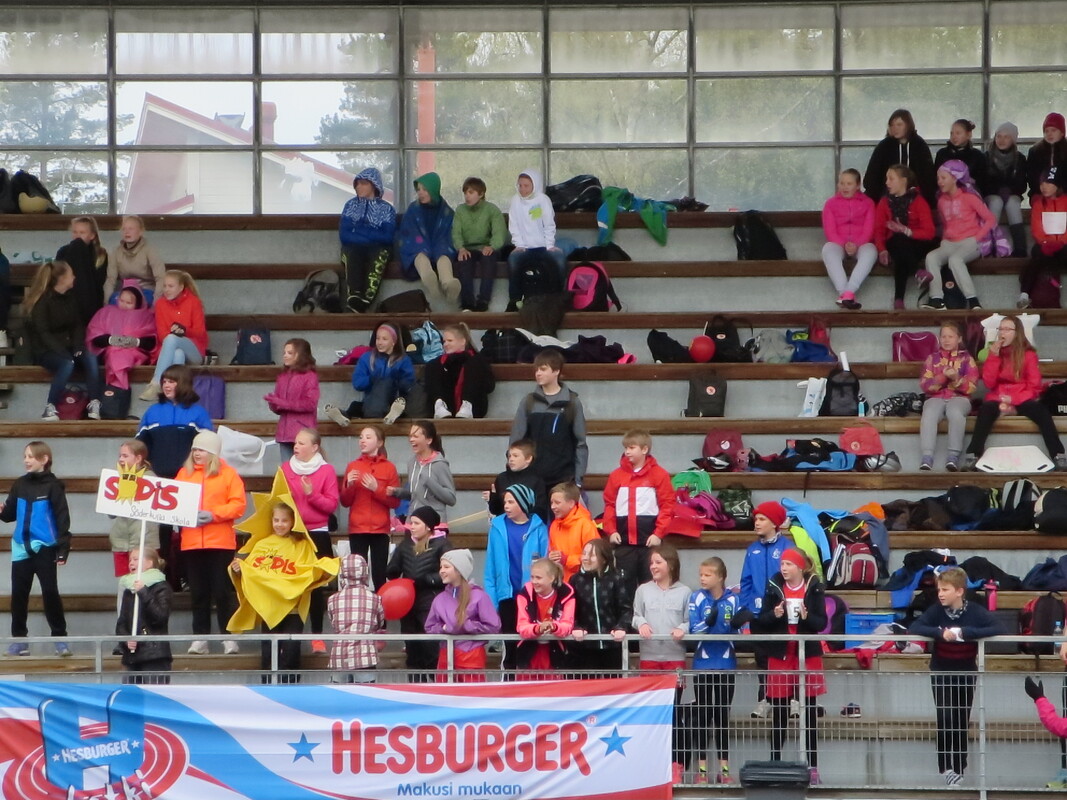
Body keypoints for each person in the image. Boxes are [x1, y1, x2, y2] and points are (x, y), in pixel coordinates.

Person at [910, 566, 1003, 786]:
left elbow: (998, 627)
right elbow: (915, 626)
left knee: (961, 719)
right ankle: (945, 767)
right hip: (941, 671)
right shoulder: (936, 610)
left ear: (960, 591)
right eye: (939, 589)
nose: (940, 594)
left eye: (945, 590)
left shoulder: (975, 611)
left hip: (966, 672)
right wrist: (939, 632)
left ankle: (960, 766)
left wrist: (965, 633)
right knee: (945, 717)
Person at [229, 500, 339, 683]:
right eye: (276, 520)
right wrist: (239, 569)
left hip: (293, 609)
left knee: (291, 649)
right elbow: (251, 572)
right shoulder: (262, 545)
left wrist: (324, 570)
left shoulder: (303, 546)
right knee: (268, 651)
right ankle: (267, 687)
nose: (279, 524)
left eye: (284, 520)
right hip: (269, 609)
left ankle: (290, 688)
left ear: (293, 522)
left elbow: (311, 570)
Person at [755, 547, 828, 786]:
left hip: (808, 653)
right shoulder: (773, 587)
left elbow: (821, 622)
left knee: (809, 711)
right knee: (779, 711)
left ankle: (813, 767)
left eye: (788, 564)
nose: (784, 568)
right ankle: (775, 763)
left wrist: (807, 617)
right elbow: (761, 621)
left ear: (800, 567)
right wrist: (774, 614)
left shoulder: (814, 587)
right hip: (780, 653)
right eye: (782, 564)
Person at [175, 430, 247, 656]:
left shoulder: (229, 474)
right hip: (192, 542)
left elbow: (238, 505)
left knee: (222, 592)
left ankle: (228, 637)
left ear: (213, 453)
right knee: (198, 593)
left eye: (202, 450)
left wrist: (213, 514)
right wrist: (186, 515)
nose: (197, 453)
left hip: (220, 543)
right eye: (195, 449)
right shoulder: (184, 473)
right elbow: (175, 502)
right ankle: (200, 639)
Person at [964, 314, 1066, 470]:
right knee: (985, 410)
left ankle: (1058, 454)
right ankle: (973, 454)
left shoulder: (1028, 354)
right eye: (1001, 329)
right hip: (998, 397)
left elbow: (1035, 386)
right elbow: (989, 383)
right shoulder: (994, 353)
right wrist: (993, 357)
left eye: (1007, 329)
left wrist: (1013, 400)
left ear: (1016, 333)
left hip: (1022, 397)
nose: (1002, 333)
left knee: (1041, 412)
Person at [0, 441, 71, 657]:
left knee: (50, 592)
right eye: (25, 456)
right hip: (21, 547)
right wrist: (2, 511)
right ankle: (20, 641)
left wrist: (63, 549)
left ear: (44, 459)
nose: (26, 460)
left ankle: (60, 638)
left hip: (45, 547)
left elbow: (62, 518)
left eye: (31, 456)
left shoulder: (54, 486)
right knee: (19, 595)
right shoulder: (19, 484)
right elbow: (10, 515)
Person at [687, 557, 749, 786]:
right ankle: (702, 771)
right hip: (703, 664)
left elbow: (740, 633)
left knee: (722, 716)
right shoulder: (696, 597)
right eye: (701, 574)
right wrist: (708, 622)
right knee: (703, 716)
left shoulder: (733, 599)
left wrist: (737, 625)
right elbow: (694, 630)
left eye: (708, 575)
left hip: (726, 664)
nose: (702, 578)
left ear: (720, 577)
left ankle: (724, 770)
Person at [632, 544, 690, 784]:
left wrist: (683, 628)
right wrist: (642, 623)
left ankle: (676, 764)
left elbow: (690, 620)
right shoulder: (643, 590)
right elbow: (635, 616)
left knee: (674, 714)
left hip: (674, 659)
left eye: (658, 562)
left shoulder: (685, 592)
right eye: (652, 563)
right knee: (652, 715)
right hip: (649, 658)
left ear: (671, 564)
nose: (653, 566)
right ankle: (652, 763)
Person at [279, 428, 340, 654]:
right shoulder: (286, 469)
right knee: (289, 585)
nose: (296, 446)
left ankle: (317, 637)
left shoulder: (326, 470)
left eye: (302, 443)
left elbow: (331, 505)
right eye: (295, 443)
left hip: (317, 532)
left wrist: (312, 494)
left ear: (315, 447)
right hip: (293, 533)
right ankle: (287, 639)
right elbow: (279, 500)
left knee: (315, 588)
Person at [23, 260, 103, 421]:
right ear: (61, 279)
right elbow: (43, 333)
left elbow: (78, 325)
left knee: (90, 357)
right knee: (67, 363)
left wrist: (78, 346)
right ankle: (50, 407)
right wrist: (62, 352)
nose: (74, 277)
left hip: (69, 346)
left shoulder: (70, 298)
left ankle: (94, 402)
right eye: (71, 275)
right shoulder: (42, 302)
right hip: (47, 350)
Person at [739, 500, 794, 719]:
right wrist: (748, 606)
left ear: (774, 523)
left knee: (784, 657)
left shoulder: (787, 547)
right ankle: (765, 699)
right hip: (758, 614)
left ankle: (791, 699)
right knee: (762, 658)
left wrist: (786, 604)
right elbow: (746, 581)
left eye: (762, 519)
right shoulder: (752, 549)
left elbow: (794, 578)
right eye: (756, 519)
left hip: (781, 613)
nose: (757, 523)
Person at [483, 484, 548, 671]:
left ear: (523, 503)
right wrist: (492, 601)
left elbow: (545, 563)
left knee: (530, 646)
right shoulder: (497, 527)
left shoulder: (539, 528)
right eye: (505, 502)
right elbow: (490, 568)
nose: (506, 506)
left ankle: (529, 683)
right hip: (507, 596)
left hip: (532, 596)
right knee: (509, 646)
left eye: (511, 502)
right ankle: (508, 681)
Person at [601, 428, 674, 594]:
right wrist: (611, 530)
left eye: (632, 447)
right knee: (624, 588)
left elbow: (667, 505)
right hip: (624, 544)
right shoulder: (616, 476)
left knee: (651, 587)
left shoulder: (659, 475)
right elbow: (609, 505)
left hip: (649, 543)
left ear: (644, 449)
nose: (627, 452)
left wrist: (658, 533)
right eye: (626, 448)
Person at [385, 506, 453, 681]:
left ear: (428, 526)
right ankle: (415, 683)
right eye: (411, 523)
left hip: (431, 601)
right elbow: (394, 567)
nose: (412, 527)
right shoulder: (406, 544)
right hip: (407, 602)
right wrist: (392, 570)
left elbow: (450, 573)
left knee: (430, 645)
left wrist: (428, 579)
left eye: (416, 523)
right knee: (412, 645)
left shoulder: (442, 545)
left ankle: (435, 682)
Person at [921, 160, 997, 311]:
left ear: (955, 178)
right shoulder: (941, 201)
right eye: (938, 178)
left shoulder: (970, 198)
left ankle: (973, 300)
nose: (939, 182)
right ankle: (936, 298)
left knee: (955, 260)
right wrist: (944, 240)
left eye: (943, 178)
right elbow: (945, 224)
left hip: (970, 242)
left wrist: (977, 238)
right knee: (931, 257)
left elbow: (990, 219)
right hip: (949, 243)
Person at [509, 349, 588, 489]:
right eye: (536, 369)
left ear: (556, 371)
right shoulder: (528, 401)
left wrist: (578, 480)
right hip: (531, 479)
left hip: (563, 479)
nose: (538, 373)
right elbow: (516, 440)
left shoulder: (572, 402)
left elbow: (580, 443)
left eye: (543, 369)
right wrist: (514, 474)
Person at [425, 548, 501, 681]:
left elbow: (493, 625)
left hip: (471, 655)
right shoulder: (439, 599)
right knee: (445, 692)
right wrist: (443, 628)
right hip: (446, 654)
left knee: (471, 692)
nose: (441, 571)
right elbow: (429, 626)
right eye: (441, 567)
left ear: (459, 570)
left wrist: (466, 626)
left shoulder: (479, 596)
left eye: (446, 567)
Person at [340, 424, 400, 591]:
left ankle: (381, 607)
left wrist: (376, 489)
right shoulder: (352, 466)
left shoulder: (389, 467)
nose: (362, 441)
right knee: (357, 574)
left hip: (380, 529)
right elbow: (345, 501)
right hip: (357, 527)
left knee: (380, 575)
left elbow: (395, 503)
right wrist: (349, 486)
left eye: (368, 437)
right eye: (360, 437)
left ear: (379, 442)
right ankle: (359, 606)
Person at [874, 164, 937, 310]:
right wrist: (882, 250)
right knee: (899, 242)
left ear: (903, 180)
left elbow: (929, 232)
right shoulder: (884, 202)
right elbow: (878, 230)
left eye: (891, 179)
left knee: (904, 250)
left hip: (916, 242)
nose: (887, 182)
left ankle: (899, 299)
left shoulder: (918, 201)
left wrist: (906, 231)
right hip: (896, 243)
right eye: (886, 179)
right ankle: (917, 272)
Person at [919, 321, 980, 472]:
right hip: (935, 397)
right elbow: (925, 385)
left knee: (955, 412)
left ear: (959, 339)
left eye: (951, 337)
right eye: (943, 336)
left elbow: (971, 387)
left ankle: (953, 456)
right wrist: (942, 377)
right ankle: (927, 456)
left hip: (960, 398)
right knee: (929, 413)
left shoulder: (967, 359)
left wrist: (956, 378)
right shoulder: (932, 358)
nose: (946, 340)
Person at [330, 321, 416, 426]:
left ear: (394, 341)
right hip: (370, 402)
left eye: (384, 339)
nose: (379, 342)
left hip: (393, 400)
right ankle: (344, 416)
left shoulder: (403, 360)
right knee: (356, 406)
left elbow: (408, 384)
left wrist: (396, 379)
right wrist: (371, 379)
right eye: (378, 338)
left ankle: (391, 413)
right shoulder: (367, 358)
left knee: (386, 385)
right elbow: (357, 383)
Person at [140, 270, 206, 401]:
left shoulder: (193, 302)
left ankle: (156, 382)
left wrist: (184, 331)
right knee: (178, 353)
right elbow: (161, 335)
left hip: (194, 351)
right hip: (171, 347)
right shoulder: (160, 304)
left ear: (181, 287)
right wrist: (173, 333)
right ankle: (175, 392)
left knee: (172, 339)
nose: (166, 290)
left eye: (171, 286)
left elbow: (200, 332)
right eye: (164, 286)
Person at [568, 538, 631, 673]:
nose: (586, 558)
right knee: (588, 684)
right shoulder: (575, 580)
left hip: (612, 644)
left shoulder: (616, 578)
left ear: (603, 559)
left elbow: (626, 609)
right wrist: (576, 626)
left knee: (614, 682)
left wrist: (621, 627)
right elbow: (569, 611)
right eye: (584, 554)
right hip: (585, 645)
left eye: (592, 555)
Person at [339, 167, 396, 312]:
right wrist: (372, 234)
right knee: (352, 253)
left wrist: (359, 232)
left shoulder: (387, 209)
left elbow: (388, 237)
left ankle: (365, 300)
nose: (358, 187)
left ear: (374, 185)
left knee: (380, 254)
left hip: (378, 248)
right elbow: (344, 235)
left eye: (363, 183)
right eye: (357, 184)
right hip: (353, 247)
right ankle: (354, 296)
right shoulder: (350, 206)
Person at [398, 172, 459, 306]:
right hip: (419, 243)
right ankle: (427, 276)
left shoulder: (446, 211)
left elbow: (449, 232)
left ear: (433, 190)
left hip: (439, 242)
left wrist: (440, 245)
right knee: (419, 253)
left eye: (425, 190)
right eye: (418, 189)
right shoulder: (413, 209)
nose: (420, 193)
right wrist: (423, 245)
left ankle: (448, 283)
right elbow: (408, 231)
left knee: (444, 255)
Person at [506, 168, 562, 311]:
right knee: (513, 260)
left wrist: (549, 245)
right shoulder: (515, 201)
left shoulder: (543, 200)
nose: (522, 189)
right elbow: (514, 225)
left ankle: (558, 298)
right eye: (520, 185)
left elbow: (549, 224)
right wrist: (518, 244)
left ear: (534, 185)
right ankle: (514, 300)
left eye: (526, 186)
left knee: (559, 260)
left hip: (543, 246)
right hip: (524, 247)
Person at [821, 168, 876, 309]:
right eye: (842, 183)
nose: (844, 187)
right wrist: (844, 244)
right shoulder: (830, 204)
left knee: (871, 250)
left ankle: (849, 291)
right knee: (828, 249)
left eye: (849, 184)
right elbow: (830, 230)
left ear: (858, 185)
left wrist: (856, 244)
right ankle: (844, 293)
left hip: (861, 243)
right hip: (839, 243)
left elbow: (869, 229)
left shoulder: (868, 203)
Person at [86, 281, 156, 392]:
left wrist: (135, 342)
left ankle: (116, 388)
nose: (124, 305)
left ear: (137, 303)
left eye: (129, 302)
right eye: (121, 300)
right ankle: (117, 388)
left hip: (135, 354)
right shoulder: (106, 312)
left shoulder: (146, 316)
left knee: (120, 355)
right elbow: (95, 336)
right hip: (108, 352)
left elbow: (152, 342)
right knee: (114, 353)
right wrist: (112, 340)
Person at [115, 547, 172, 683]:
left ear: (149, 563)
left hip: (154, 655)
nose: (131, 563)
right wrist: (126, 640)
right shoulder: (129, 590)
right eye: (130, 560)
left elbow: (160, 617)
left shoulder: (161, 587)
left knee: (153, 694)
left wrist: (144, 592)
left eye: (136, 559)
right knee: (130, 695)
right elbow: (122, 623)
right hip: (131, 657)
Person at [328, 553, 386, 683]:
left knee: (339, 694)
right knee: (365, 694)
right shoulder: (375, 598)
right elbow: (380, 623)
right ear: (365, 571)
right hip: (365, 656)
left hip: (339, 656)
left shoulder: (332, 599)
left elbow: (333, 623)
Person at [451, 176, 506, 311]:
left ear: (481, 194)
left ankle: (483, 301)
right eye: (465, 193)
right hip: (468, 248)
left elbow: (499, 232)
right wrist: (461, 248)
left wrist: (492, 246)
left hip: (486, 247)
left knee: (488, 259)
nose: (467, 196)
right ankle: (467, 303)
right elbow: (456, 232)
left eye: (471, 192)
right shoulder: (460, 210)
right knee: (464, 261)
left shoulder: (492, 210)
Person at [107, 440, 160, 579]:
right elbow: (111, 513)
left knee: (144, 582)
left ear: (138, 458)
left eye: (125, 456)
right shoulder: (116, 477)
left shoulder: (151, 479)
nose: (121, 459)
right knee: (124, 582)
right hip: (120, 541)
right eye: (120, 456)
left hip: (144, 541)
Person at [515, 557, 575, 678]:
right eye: (532, 577)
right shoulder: (525, 593)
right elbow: (521, 626)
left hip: (555, 654)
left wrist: (554, 627)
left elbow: (567, 625)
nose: (534, 581)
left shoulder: (566, 594)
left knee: (552, 688)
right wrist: (538, 628)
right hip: (528, 653)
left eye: (538, 578)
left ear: (551, 578)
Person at [388, 420, 456, 526]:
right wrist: (397, 492)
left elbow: (451, 499)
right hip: (412, 523)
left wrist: (429, 482)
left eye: (415, 436)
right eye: (410, 436)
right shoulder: (411, 463)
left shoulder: (440, 464)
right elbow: (415, 495)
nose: (411, 439)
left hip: (434, 525)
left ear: (429, 440)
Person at [864, 109, 936, 205]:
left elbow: (927, 177)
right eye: (892, 125)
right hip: (887, 198)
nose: (895, 128)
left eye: (899, 125)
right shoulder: (884, 146)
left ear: (908, 125)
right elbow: (872, 176)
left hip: (915, 199)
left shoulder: (919, 145)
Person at [424, 322, 496, 419]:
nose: (445, 344)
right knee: (433, 365)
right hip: (446, 411)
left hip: (474, 409)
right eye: (444, 341)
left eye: (450, 340)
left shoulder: (478, 360)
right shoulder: (438, 363)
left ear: (462, 341)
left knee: (474, 362)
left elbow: (489, 386)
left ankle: (467, 405)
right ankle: (439, 405)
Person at [265, 337, 319, 462]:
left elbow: (310, 404)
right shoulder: (282, 377)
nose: (285, 356)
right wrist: (273, 403)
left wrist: (283, 403)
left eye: (290, 353)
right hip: (284, 434)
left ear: (301, 355)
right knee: (287, 470)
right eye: (284, 353)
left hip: (303, 433)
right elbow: (279, 408)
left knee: (304, 469)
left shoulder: (310, 376)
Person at [1021, 166, 1067, 309]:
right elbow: (1036, 228)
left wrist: (1061, 242)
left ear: (1058, 184)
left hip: (1064, 246)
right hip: (1045, 245)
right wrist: (1046, 242)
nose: (1043, 187)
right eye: (1041, 183)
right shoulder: (1038, 204)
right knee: (1037, 256)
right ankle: (1024, 295)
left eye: (1048, 183)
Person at [981, 122, 1029, 258]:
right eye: (999, 136)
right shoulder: (985, 157)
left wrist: (1009, 190)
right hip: (991, 195)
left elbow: (1022, 184)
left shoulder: (1020, 159)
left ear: (1013, 139)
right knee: (996, 202)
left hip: (1012, 194)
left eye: (1006, 137)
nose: (1001, 140)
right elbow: (983, 183)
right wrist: (998, 190)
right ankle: (990, 244)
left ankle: (1020, 247)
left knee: (1013, 203)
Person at [56, 215, 107, 325]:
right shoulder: (63, 251)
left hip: (91, 300)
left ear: (92, 235)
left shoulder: (100, 254)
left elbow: (99, 282)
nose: (77, 236)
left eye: (82, 233)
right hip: (68, 298)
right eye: (75, 232)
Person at [104, 215, 166, 304]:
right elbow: (110, 279)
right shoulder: (116, 251)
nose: (126, 232)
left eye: (131, 229)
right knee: (114, 301)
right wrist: (106, 303)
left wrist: (156, 304)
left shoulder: (150, 250)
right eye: (124, 229)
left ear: (141, 231)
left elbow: (161, 278)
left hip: (147, 291)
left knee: (135, 302)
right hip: (125, 292)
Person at [484, 440, 548, 524]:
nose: (511, 459)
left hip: (528, 525)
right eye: (509, 456)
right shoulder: (502, 478)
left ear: (528, 459)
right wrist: (493, 496)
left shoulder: (537, 480)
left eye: (515, 456)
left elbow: (541, 510)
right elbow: (495, 510)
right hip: (505, 525)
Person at [547, 482, 600, 584]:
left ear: (571, 503)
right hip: (561, 582)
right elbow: (552, 551)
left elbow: (595, 558)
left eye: (557, 503)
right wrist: (552, 557)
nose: (553, 507)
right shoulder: (554, 525)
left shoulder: (585, 525)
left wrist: (567, 560)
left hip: (583, 582)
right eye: (551, 503)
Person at [935, 119, 986, 190]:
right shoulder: (942, 153)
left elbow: (983, 182)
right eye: (952, 133)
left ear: (968, 135)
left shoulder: (977, 156)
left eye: (958, 133)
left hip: (970, 193)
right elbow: (935, 178)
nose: (954, 137)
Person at [1026, 112, 1067, 199]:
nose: (1049, 134)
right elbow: (1031, 177)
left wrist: (1059, 189)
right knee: (1039, 203)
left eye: (1053, 130)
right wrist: (1043, 189)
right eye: (1046, 131)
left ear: (1062, 132)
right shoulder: (1034, 151)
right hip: (1039, 193)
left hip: (1064, 192)